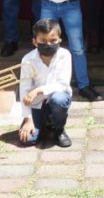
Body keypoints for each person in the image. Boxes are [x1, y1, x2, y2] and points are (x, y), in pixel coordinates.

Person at [18, 19, 74, 148]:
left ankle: (59, 129)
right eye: (43, 41)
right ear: (35, 42)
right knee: (28, 140)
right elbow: (24, 91)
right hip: (37, 103)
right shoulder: (27, 59)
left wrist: (39, 90)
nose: (48, 44)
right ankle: (42, 123)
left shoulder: (65, 55)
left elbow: (63, 84)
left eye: (53, 40)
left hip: (56, 99)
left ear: (60, 39)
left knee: (59, 99)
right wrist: (28, 119)